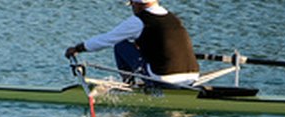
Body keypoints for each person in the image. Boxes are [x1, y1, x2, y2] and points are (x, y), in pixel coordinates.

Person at [65, 0, 199, 86]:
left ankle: (129, 86)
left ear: (137, 4)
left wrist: (78, 48)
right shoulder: (173, 18)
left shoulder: (139, 20)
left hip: (164, 78)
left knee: (120, 45)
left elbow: (107, 39)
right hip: (192, 77)